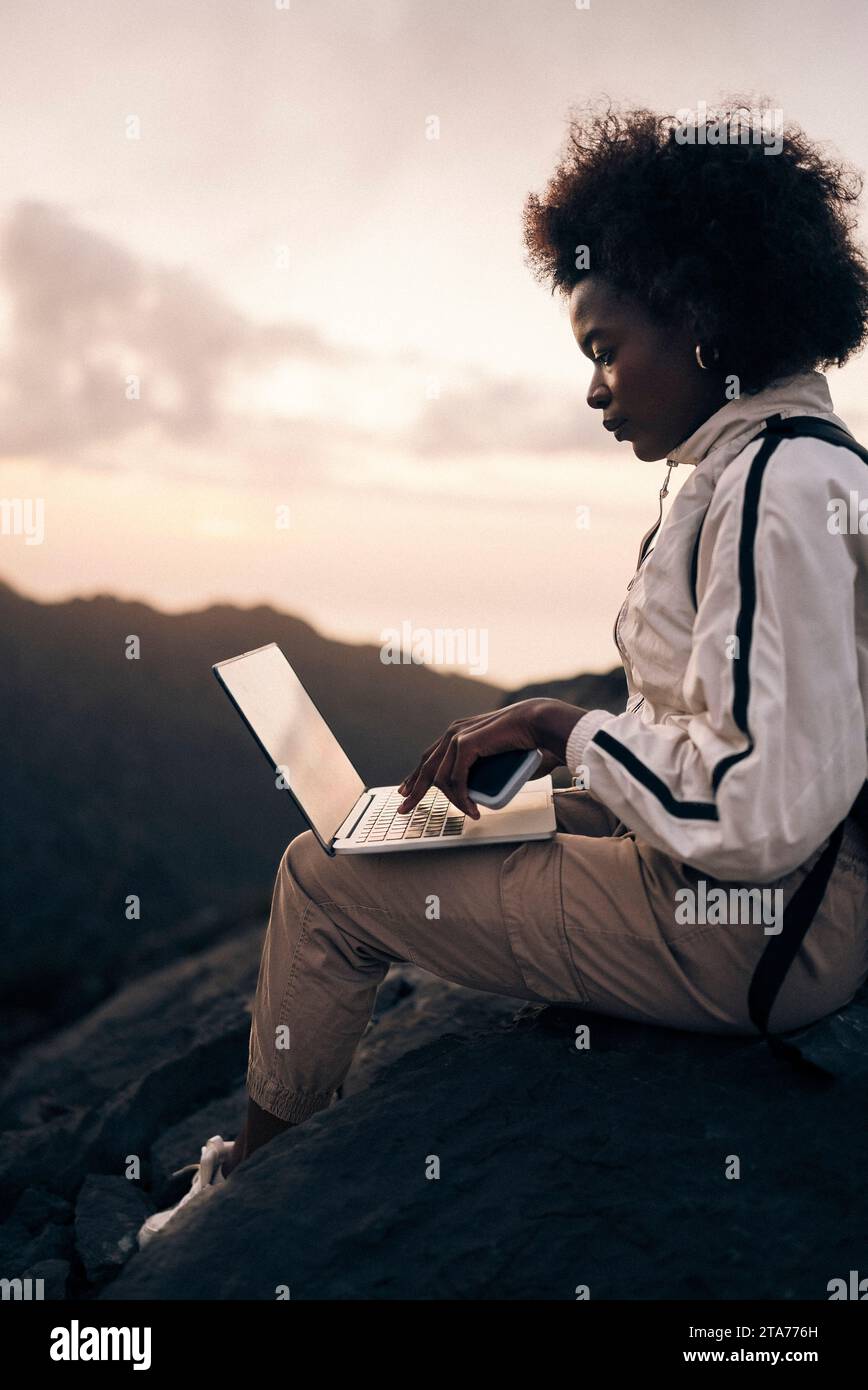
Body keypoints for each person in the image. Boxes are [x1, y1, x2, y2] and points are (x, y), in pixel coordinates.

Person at [138, 100, 868, 1244]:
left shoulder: (778, 486)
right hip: (775, 902)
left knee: (323, 879)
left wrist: (560, 723)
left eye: (602, 346)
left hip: (759, 932)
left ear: (701, 315)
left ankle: (246, 1204)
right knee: (450, 825)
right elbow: (720, 737)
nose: (592, 389)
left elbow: (755, 809)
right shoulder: (765, 467)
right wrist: (562, 773)